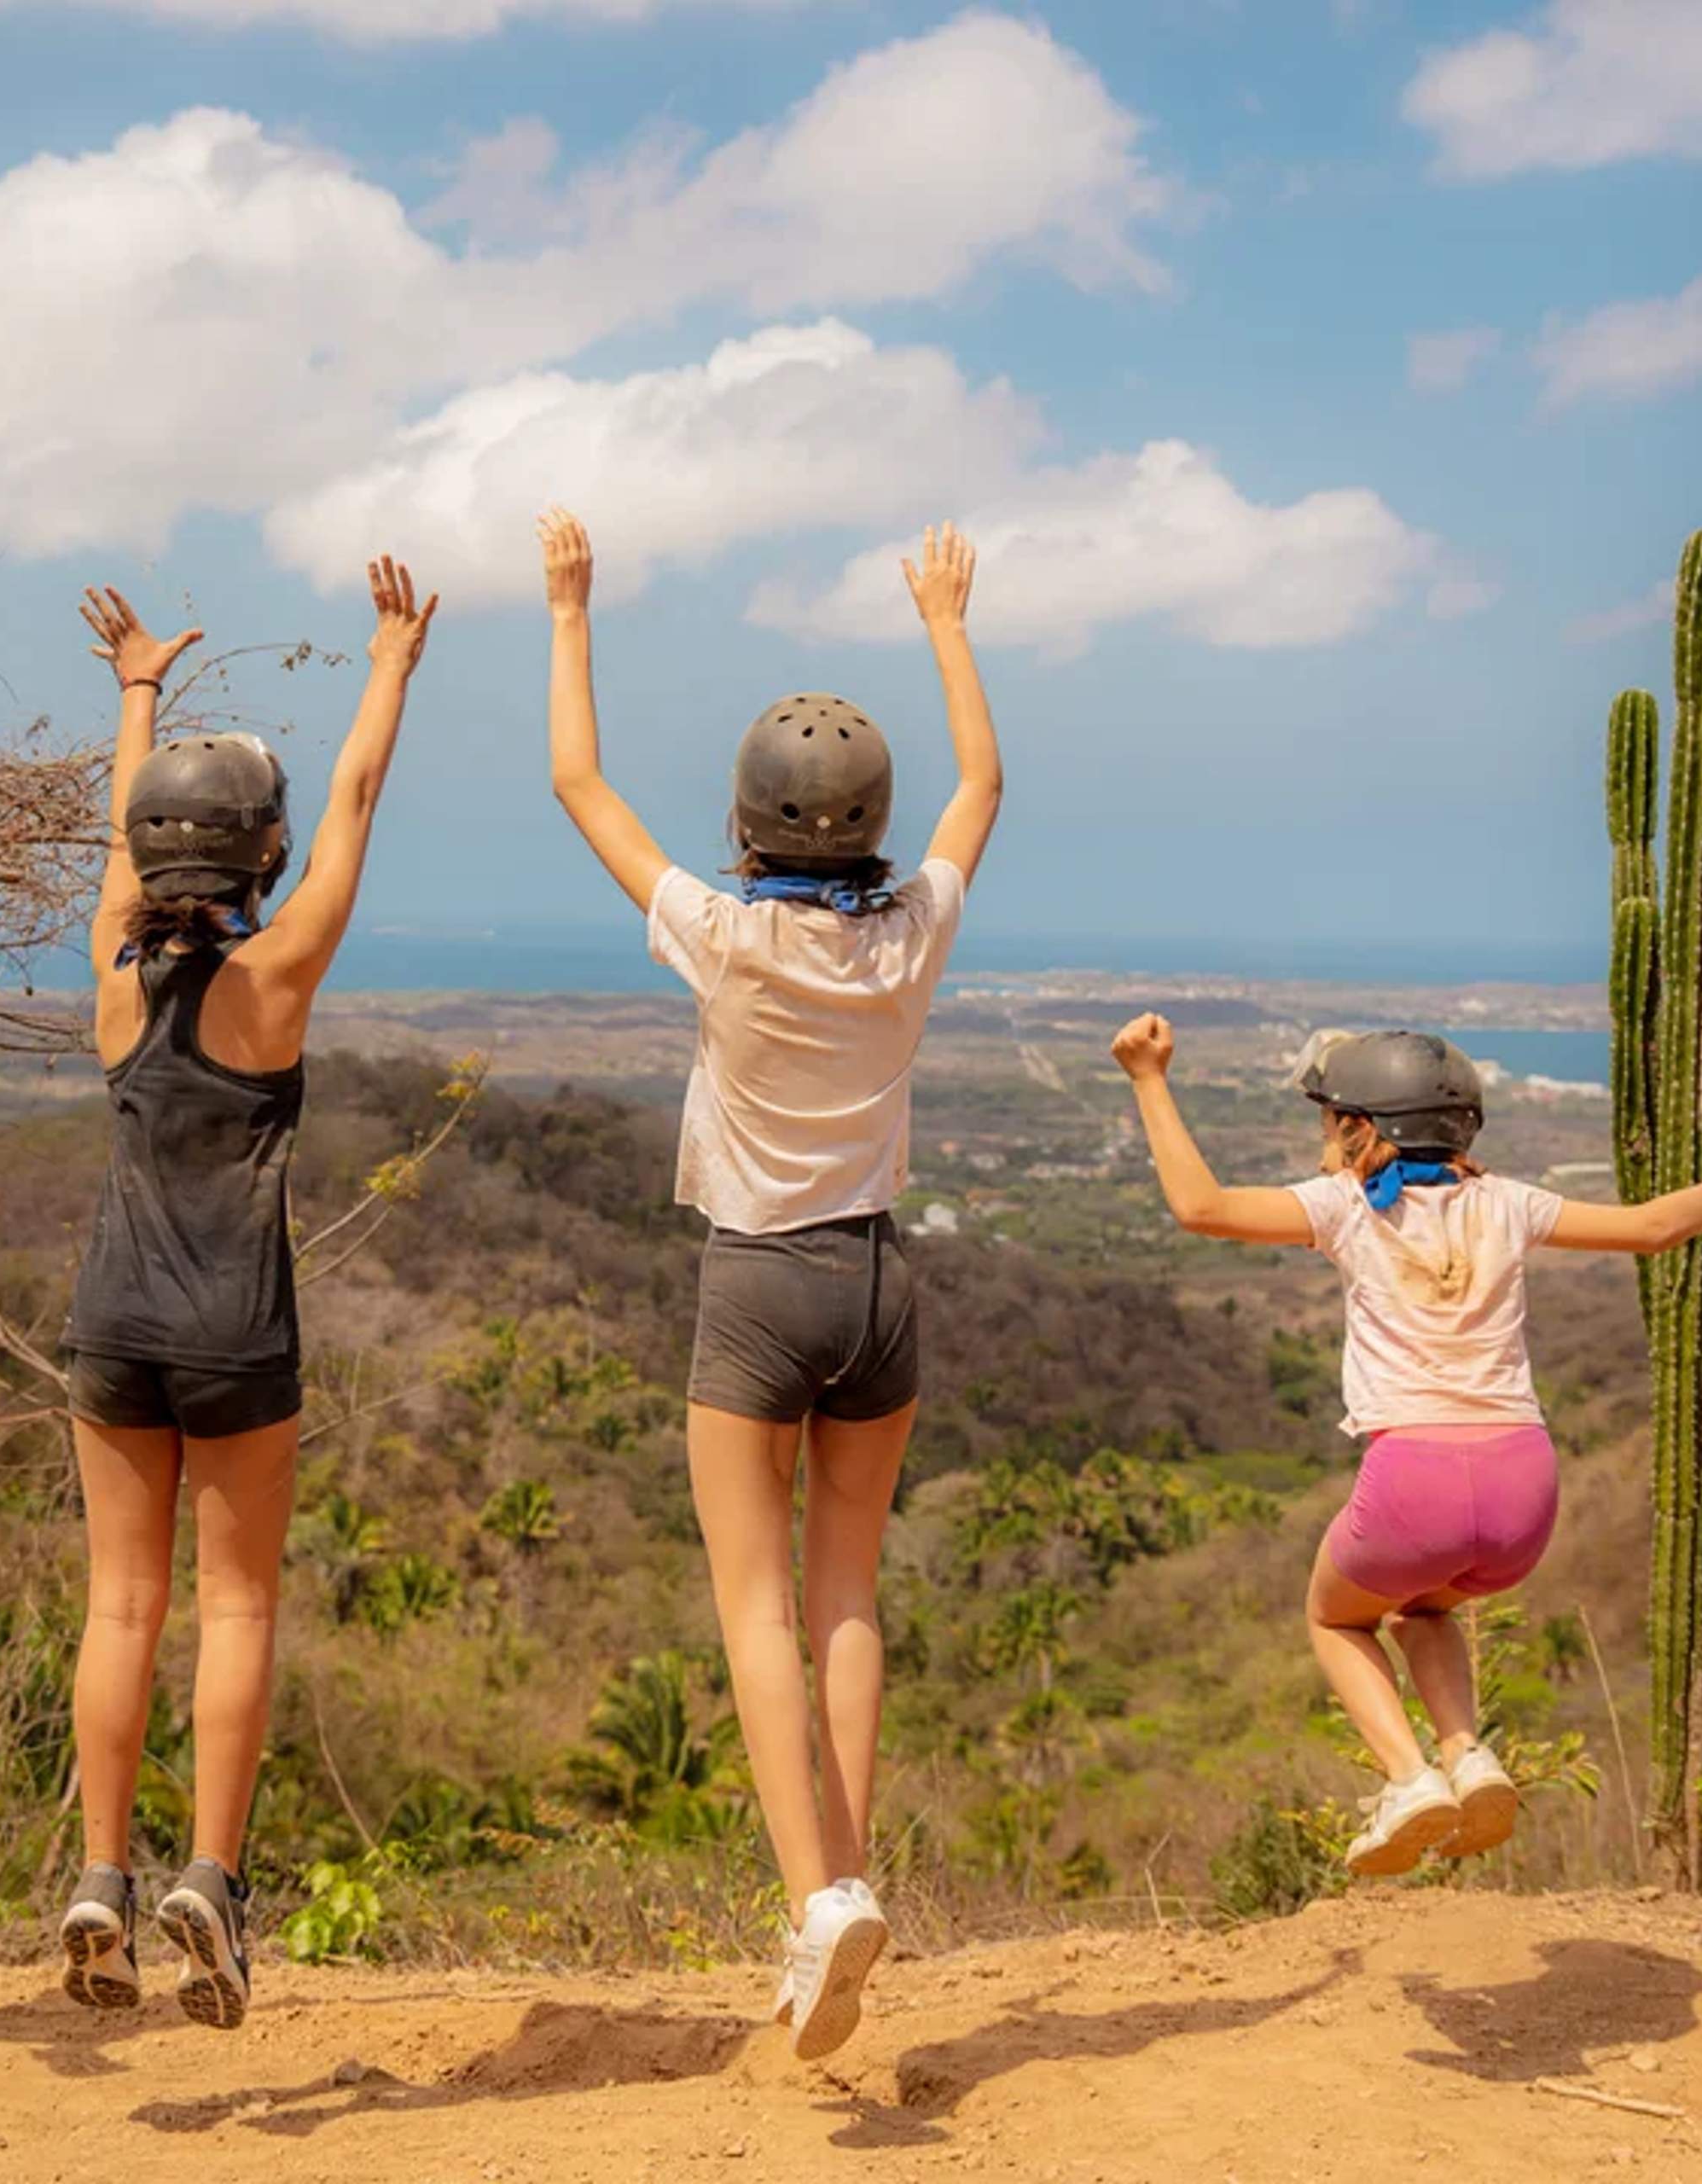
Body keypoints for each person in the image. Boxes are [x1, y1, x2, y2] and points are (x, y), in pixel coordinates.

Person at [537, 508, 1001, 2060]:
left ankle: (819, 1904)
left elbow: (579, 786)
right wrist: (945, 618)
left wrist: (569, 605)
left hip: (757, 1281)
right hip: (879, 1283)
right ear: (872, 822)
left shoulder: (726, 936)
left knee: (753, 1609)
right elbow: (983, 788)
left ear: (747, 822)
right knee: (846, 1596)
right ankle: (847, 1881)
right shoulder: (914, 932)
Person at [1109, 1017, 1702, 1875]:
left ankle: (1410, 1780)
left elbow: (1202, 1207)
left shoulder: (1340, 1209)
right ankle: (1468, 1755)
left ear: (1362, 1128)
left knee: (1334, 1618)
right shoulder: (1509, 1202)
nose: (1324, 1134)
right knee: (1427, 1608)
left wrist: (1150, 1079)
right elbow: (1654, 1228)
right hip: (1525, 1488)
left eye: (1331, 1118)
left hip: (1415, 1480)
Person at [55, 561, 438, 2026]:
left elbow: (121, 857)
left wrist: (138, 693)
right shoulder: (273, 983)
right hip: (235, 1336)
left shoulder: (109, 969)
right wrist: (389, 662)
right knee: (240, 1608)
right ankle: (207, 1878)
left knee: (121, 1606)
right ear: (258, 857)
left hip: (108, 1326)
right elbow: (350, 811)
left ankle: (99, 1875)